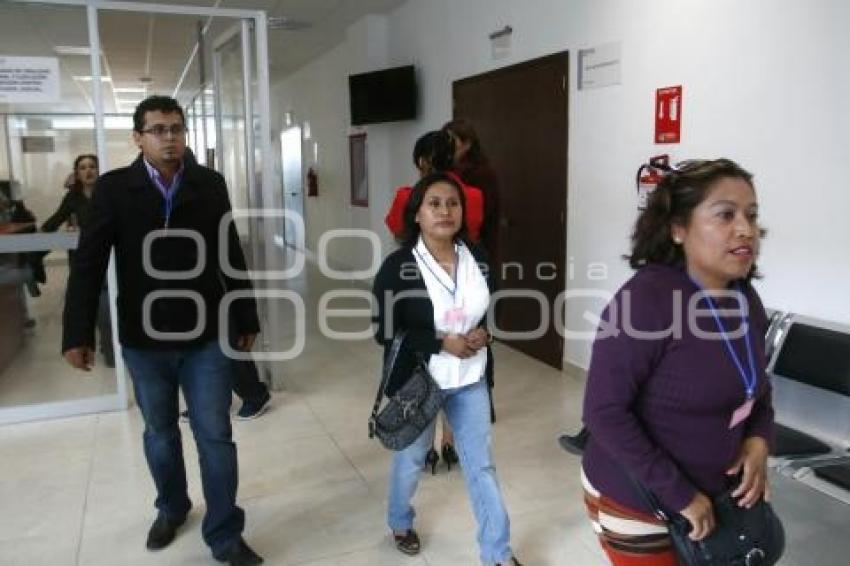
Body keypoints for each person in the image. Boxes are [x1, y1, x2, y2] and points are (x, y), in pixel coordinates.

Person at [62, 95, 263, 566]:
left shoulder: (209, 184)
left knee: (215, 433)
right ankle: (172, 508)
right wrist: (77, 333)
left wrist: (246, 316)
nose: (169, 138)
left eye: (176, 128)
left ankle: (225, 534)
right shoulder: (114, 189)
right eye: (158, 130)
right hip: (144, 338)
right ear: (138, 138)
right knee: (160, 432)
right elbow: (89, 263)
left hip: (206, 335)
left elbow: (229, 252)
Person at [580, 159, 774, 565]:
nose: (745, 229)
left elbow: (758, 387)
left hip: (717, 494)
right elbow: (603, 413)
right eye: (725, 215)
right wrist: (680, 494)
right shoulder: (645, 301)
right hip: (640, 498)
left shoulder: (743, 298)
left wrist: (759, 439)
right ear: (678, 228)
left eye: (751, 216)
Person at [372, 172, 521, 566]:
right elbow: (385, 329)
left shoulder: (479, 258)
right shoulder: (399, 266)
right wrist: (440, 341)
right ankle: (400, 520)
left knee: (481, 466)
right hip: (420, 381)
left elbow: (491, 309)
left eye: (452, 203)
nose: (444, 210)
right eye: (434, 203)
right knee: (412, 460)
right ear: (417, 215)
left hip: (470, 378)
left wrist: (484, 334)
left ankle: (498, 555)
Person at [384, 130, 486, 474]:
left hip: (427, 274)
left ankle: (425, 447)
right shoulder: (472, 194)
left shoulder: (407, 194)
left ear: (421, 160)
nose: (444, 210)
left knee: (438, 368)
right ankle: (449, 444)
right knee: (455, 363)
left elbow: (395, 229)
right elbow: (474, 230)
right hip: (464, 272)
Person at [42, 154, 114, 366]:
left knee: (105, 308)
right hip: (84, 262)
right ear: (77, 173)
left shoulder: (107, 194)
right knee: (88, 306)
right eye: (83, 168)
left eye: (92, 166)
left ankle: (110, 352)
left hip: (108, 260)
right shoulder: (73, 198)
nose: (88, 171)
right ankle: (97, 347)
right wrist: (33, 236)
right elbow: (53, 221)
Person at [442, 119, 500, 258]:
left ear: (467, 144)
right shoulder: (443, 170)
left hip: (475, 247)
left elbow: (480, 213)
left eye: (451, 141)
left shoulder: (481, 173)